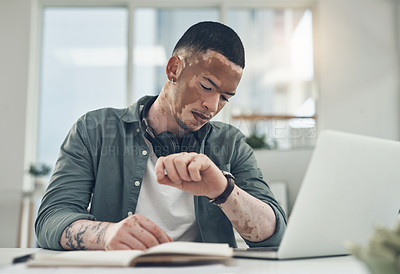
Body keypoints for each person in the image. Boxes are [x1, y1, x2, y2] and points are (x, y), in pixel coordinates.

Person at [35, 21, 287, 251]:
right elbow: (51, 218)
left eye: (224, 97)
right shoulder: (94, 129)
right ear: (174, 68)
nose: (212, 105)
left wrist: (222, 189)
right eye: (207, 86)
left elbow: (274, 234)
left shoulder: (230, 143)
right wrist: (106, 234)